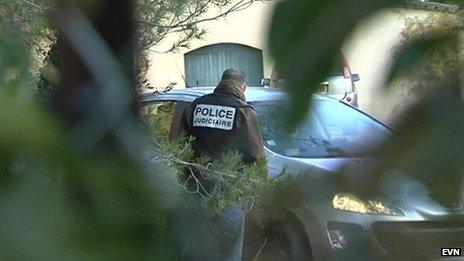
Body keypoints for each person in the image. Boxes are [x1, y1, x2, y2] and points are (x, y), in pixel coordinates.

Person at [180, 68, 266, 260]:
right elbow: (256, 157)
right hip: (229, 193)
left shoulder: (195, 106)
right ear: (243, 87)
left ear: (222, 82)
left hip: (196, 191)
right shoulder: (244, 112)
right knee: (228, 251)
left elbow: (182, 145)